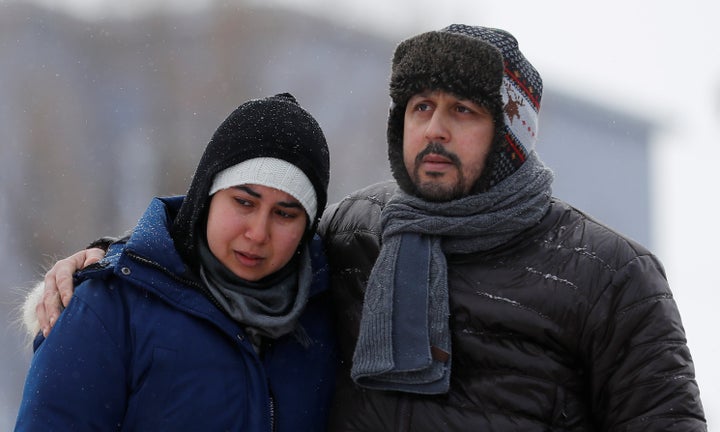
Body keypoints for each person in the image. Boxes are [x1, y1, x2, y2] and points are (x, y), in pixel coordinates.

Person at [25, 24, 706, 431]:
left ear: (512, 135)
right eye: (419, 106)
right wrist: (107, 263)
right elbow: (213, 267)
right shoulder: (357, 235)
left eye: (463, 111)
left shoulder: (608, 274)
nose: (434, 129)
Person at [15, 93, 336, 431]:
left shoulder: (326, 318)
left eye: (285, 214)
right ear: (205, 197)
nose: (258, 233)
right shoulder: (108, 309)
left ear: (307, 228)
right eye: (243, 202)